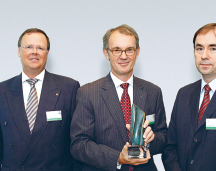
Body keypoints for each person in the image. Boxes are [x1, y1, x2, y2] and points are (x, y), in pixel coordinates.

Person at [70, 24, 167, 171]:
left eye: (129, 50)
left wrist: (151, 139)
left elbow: (164, 137)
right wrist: (117, 158)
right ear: (106, 53)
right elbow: (79, 145)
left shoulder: (153, 91)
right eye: (117, 50)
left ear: (137, 52)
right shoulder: (88, 93)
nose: (123, 56)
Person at [162, 23, 216, 171]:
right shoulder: (183, 94)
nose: (204, 55)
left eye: (213, 48)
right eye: (199, 48)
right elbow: (170, 148)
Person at [0, 28, 80, 170]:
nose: (34, 52)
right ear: (19, 51)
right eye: (29, 47)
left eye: (40, 48)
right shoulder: (2, 90)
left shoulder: (69, 88)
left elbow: (77, 142)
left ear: (47, 53)